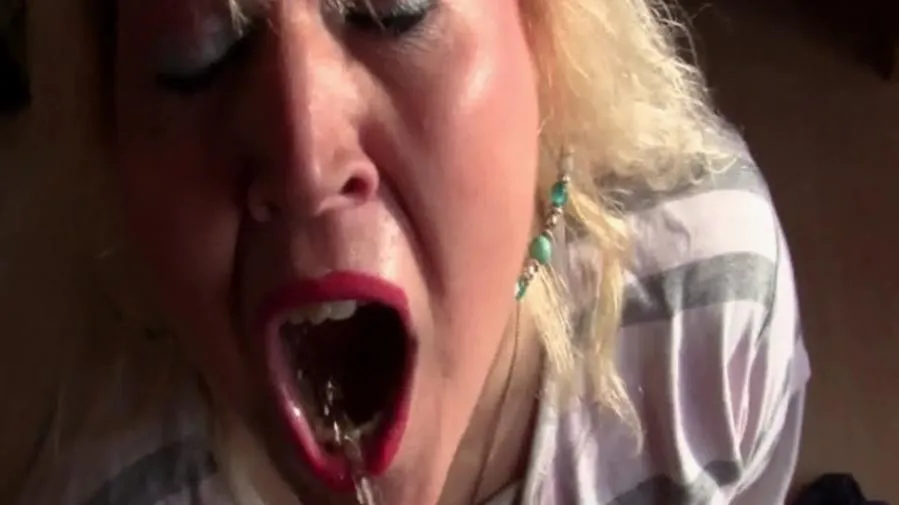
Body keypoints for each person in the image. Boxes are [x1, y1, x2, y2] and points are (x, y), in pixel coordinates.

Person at [1, 0, 810, 503]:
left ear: (543, 31)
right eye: (195, 57)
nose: (307, 158)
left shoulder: (709, 305)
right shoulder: (105, 484)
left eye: (393, 10)